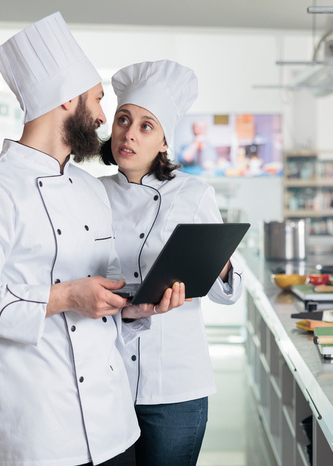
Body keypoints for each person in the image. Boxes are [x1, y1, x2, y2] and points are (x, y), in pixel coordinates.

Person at [0, 13, 185, 466]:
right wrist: (64, 296)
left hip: (113, 429)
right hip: (36, 435)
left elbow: (100, 296)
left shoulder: (89, 189)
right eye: (99, 101)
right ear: (68, 99)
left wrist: (131, 309)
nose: (106, 117)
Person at [98, 60, 244, 466]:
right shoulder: (88, 194)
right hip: (106, 381)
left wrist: (219, 263)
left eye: (146, 126)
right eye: (123, 120)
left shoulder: (194, 194)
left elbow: (228, 295)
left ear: (164, 141)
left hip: (177, 384)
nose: (129, 133)